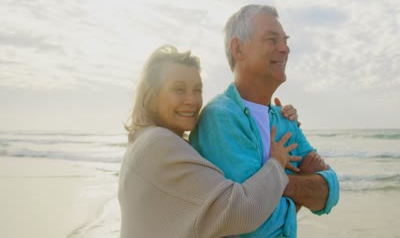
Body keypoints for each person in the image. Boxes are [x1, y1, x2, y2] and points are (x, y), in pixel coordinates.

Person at [118, 45, 305, 238]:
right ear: (151, 96)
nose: (191, 100)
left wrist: (273, 119)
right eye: (178, 89)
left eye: (197, 90)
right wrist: (277, 162)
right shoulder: (159, 144)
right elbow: (242, 212)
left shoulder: (144, 141)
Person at [189, 4, 340, 238]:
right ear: (238, 49)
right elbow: (254, 224)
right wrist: (292, 185)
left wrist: (275, 182)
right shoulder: (221, 117)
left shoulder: (284, 119)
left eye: (285, 40)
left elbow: (329, 192)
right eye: (272, 40)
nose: (285, 49)